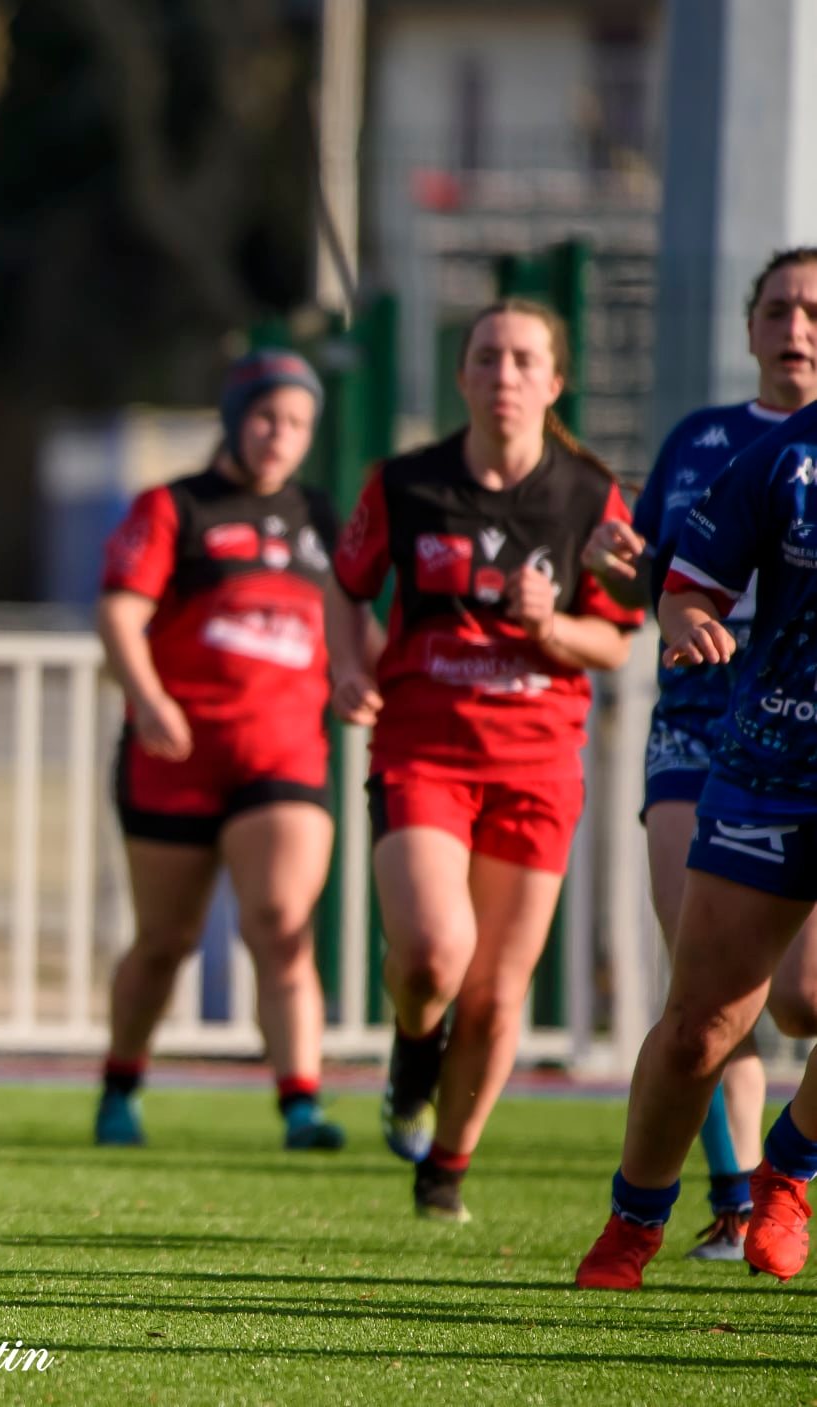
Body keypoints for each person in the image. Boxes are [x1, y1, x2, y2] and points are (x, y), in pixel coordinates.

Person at [330, 298, 642, 1224]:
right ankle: (409, 1055)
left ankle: (444, 1171)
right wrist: (348, 664)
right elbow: (345, 588)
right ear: (460, 376)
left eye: (521, 360)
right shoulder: (402, 483)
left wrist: (551, 624)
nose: (502, 375)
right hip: (422, 745)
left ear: (553, 383)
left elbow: (617, 638)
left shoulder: (589, 495)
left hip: (537, 760)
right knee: (432, 952)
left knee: (499, 998)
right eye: (485, 357)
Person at [580, 249, 817, 1260]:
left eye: (813, 310)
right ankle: (638, 1222)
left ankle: (786, 1173)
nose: (796, 327)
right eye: (779, 308)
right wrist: (673, 608)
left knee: (808, 1001)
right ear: (750, 325)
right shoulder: (766, 452)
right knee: (702, 1020)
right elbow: (680, 575)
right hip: (756, 748)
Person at [94, 349, 375, 1152]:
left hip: (282, 758)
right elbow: (119, 614)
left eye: (296, 424)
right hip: (173, 757)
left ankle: (300, 1103)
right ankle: (120, 1087)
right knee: (164, 941)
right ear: (233, 418)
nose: (278, 436)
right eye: (265, 417)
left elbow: (357, 628)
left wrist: (365, 675)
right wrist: (149, 702)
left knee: (281, 922)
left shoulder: (320, 519)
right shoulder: (174, 507)